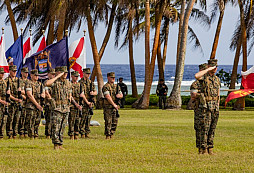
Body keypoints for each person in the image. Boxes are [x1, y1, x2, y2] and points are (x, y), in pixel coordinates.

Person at [195, 59, 220, 155]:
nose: (215, 69)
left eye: (216, 67)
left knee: (212, 129)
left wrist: (218, 103)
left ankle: (210, 148)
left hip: (214, 106)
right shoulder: (204, 77)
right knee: (205, 128)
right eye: (213, 67)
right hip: (206, 106)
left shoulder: (217, 79)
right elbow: (197, 76)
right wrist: (207, 69)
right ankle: (203, 148)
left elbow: (218, 92)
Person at [45, 66, 72, 150]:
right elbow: (46, 84)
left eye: (66, 73)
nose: (65, 74)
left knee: (62, 127)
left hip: (65, 108)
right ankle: (56, 144)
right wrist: (57, 77)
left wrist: (69, 99)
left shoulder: (68, 83)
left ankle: (60, 143)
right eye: (63, 73)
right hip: (57, 108)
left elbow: (70, 92)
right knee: (56, 126)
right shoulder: (55, 82)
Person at [190, 63, 208, 154]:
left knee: (207, 128)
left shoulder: (209, 83)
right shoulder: (195, 84)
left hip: (208, 109)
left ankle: (207, 147)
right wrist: (202, 95)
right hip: (199, 109)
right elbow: (193, 96)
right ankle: (200, 148)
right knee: (199, 128)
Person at [102, 72, 123, 139]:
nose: (113, 79)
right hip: (108, 106)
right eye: (111, 78)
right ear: (108, 78)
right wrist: (113, 104)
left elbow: (121, 94)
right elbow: (107, 96)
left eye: (114, 78)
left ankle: (112, 133)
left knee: (115, 121)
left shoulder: (116, 86)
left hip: (115, 107)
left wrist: (119, 96)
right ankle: (108, 135)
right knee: (108, 121)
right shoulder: (106, 86)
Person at [25, 69, 45, 139]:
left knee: (37, 121)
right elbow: (30, 95)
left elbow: (44, 93)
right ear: (31, 75)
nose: (36, 77)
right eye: (35, 75)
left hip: (39, 105)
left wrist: (43, 94)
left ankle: (36, 135)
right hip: (31, 105)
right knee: (30, 121)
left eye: (37, 75)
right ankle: (31, 136)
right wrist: (37, 104)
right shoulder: (29, 83)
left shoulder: (40, 84)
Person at [5, 65, 22, 139]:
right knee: (10, 119)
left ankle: (15, 133)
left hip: (17, 102)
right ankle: (10, 133)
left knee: (17, 118)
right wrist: (16, 99)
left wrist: (20, 97)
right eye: (13, 71)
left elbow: (20, 91)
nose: (15, 72)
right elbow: (7, 93)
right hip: (11, 102)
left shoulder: (18, 80)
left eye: (15, 71)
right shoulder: (6, 80)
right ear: (10, 71)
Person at [79, 68, 97, 138]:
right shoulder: (80, 82)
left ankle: (87, 132)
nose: (88, 75)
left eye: (89, 74)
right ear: (83, 73)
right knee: (83, 118)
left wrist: (93, 93)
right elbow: (82, 94)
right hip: (84, 102)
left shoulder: (91, 83)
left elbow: (95, 91)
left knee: (88, 118)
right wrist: (87, 102)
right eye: (87, 73)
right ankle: (82, 132)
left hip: (90, 103)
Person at [69, 71, 82, 140]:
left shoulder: (79, 85)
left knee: (78, 120)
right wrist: (76, 104)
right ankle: (71, 134)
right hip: (72, 105)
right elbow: (70, 96)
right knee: (72, 120)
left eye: (77, 76)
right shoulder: (69, 84)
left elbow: (82, 95)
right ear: (72, 76)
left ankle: (76, 133)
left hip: (78, 105)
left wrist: (80, 104)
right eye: (75, 76)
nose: (76, 78)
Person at [44, 68, 56, 139]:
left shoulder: (55, 83)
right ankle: (48, 134)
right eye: (52, 74)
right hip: (48, 104)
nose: (53, 76)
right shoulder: (46, 82)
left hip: (55, 104)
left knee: (54, 120)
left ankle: (53, 133)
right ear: (48, 74)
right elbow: (46, 93)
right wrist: (51, 99)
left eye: (54, 74)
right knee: (48, 119)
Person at [18, 67, 29, 138]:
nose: (26, 74)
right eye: (25, 72)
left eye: (27, 72)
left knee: (27, 117)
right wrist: (26, 94)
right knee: (21, 117)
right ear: (22, 73)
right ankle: (21, 132)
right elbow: (19, 91)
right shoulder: (19, 81)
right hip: (22, 101)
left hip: (28, 102)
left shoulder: (29, 81)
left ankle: (26, 131)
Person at [0, 67, 9, 139]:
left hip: (4, 104)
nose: (2, 74)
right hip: (0, 103)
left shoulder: (4, 82)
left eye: (3, 73)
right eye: (1, 73)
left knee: (4, 120)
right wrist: (2, 101)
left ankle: (1, 135)